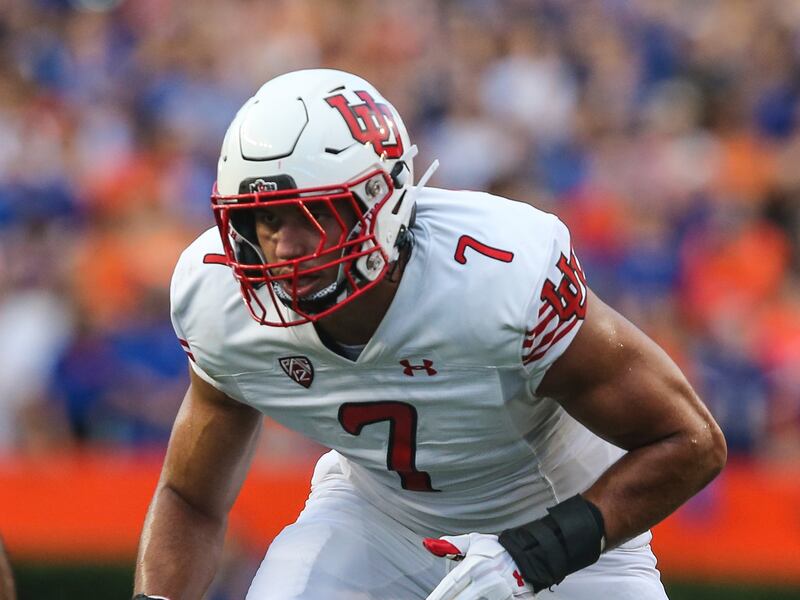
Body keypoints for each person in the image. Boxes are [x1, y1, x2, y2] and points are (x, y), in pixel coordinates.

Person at [133, 69, 726, 600]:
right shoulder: (218, 295)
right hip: (377, 520)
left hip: (559, 524)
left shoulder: (497, 276)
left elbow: (691, 440)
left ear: (382, 199)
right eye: (267, 217)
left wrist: (536, 553)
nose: (286, 247)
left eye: (317, 216)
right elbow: (189, 497)